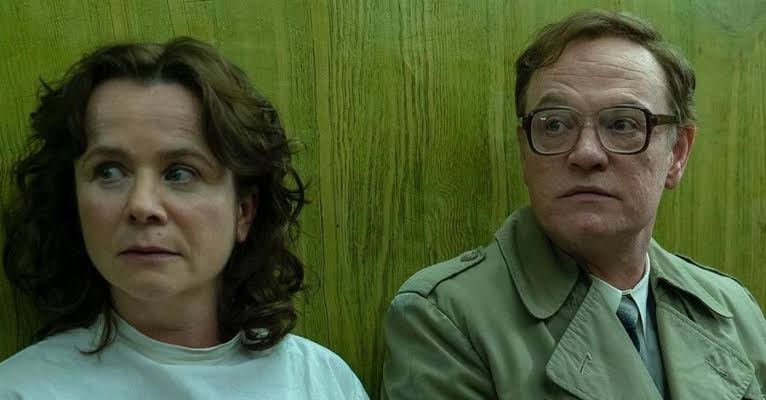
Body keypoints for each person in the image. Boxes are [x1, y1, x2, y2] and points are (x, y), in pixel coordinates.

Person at [381, 9, 766, 400]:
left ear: (677, 154)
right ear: (525, 152)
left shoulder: (734, 312)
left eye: (622, 124)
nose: (586, 153)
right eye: (555, 124)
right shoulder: (446, 318)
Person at [0, 37, 368, 400]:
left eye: (180, 173)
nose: (142, 205)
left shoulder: (321, 381)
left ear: (243, 211)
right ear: (74, 201)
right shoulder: (21, 389)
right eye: (109, 171)